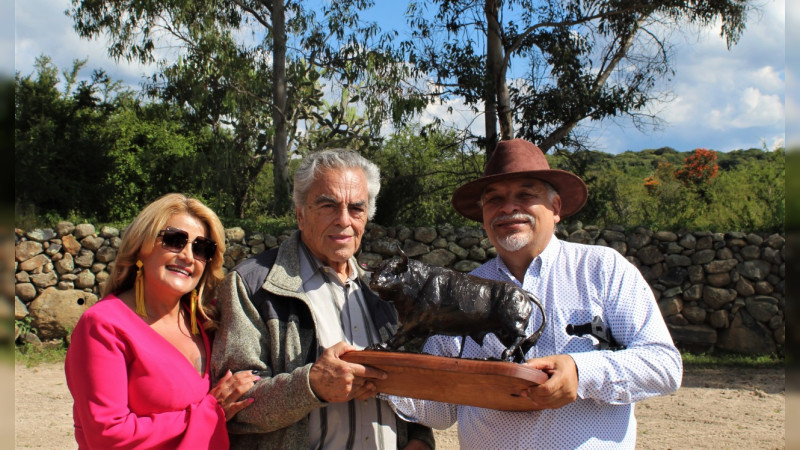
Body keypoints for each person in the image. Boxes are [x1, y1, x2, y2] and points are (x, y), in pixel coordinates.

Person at [388, 139, 683, 449]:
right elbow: (440, 409)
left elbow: (663, 366)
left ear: (555, 208)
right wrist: (381, 380)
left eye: (525, 195)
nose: (508, 207)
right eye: (494, 199)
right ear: (483, 213)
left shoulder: (601, 269)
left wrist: (580, 372)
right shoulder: (461, 291)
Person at [210, 149, 434, 449]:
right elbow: (235, 407)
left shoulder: (382, 293)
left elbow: (411, 385)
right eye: (328, 205)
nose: (344, 220)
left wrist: (420, 439)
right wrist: (311, 385)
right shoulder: (254, 285)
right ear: (300, 214)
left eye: (356, 208)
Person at [65, 193, 259, 449]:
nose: (188, 257)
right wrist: (211, 411)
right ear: (140, 246)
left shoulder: (206, 322)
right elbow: (108, 435)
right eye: (174, 240)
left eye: (202, 248)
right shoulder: (103, 326)